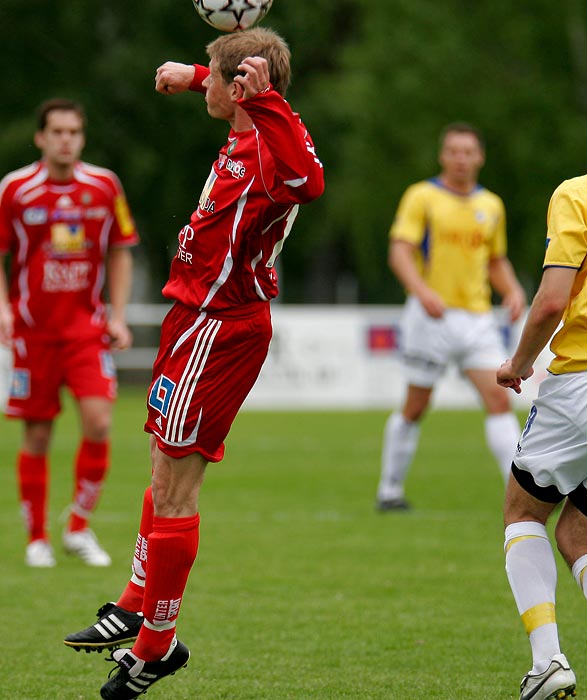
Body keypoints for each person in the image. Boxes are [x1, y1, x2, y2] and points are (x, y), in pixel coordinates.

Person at [63, 27, 324, 700]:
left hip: (223, 326)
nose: (201, 81)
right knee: (161, 466)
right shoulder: (248, 132)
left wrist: (249, 96)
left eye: (214, 76)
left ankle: (156, 647)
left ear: (245, 88)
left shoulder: (273, 143)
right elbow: (239, 106)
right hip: (191, 319)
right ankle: (134, 603)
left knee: (178, 487)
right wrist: (197, 75)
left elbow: (308, 180)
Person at [0, 98, 139, 568]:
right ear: (40, 137)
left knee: (99, 422)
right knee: (37, 434)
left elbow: (121, 249)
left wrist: (117, 315)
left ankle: (79, 525)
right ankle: (37, 537)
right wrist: (3, 309)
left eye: (73, 132)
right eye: (57, 131)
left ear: (82, 137)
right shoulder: (15, 189)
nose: (66, 140)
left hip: (86, 330)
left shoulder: (103, 186)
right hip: (33, 332)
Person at [376, 122, 526, 511]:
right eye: (454, 151)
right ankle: (389, 490)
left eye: (468, 152)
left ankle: (519, 493)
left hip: (477, 320)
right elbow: (400, 251)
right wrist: (422, 291)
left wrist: (511, 289)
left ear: (480, 157)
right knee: (416, 406)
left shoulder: (490, 205)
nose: (461, 159)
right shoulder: (422, 197)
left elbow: (494, 259)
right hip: (431, 318)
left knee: (498, 398)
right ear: (443, 156)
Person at [496, 175, 587, 700]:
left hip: (582, 381)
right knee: (579, 532)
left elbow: (553, 301)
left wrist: (520, 363)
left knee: (524, 511)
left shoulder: (577, 194)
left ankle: (547, 660)